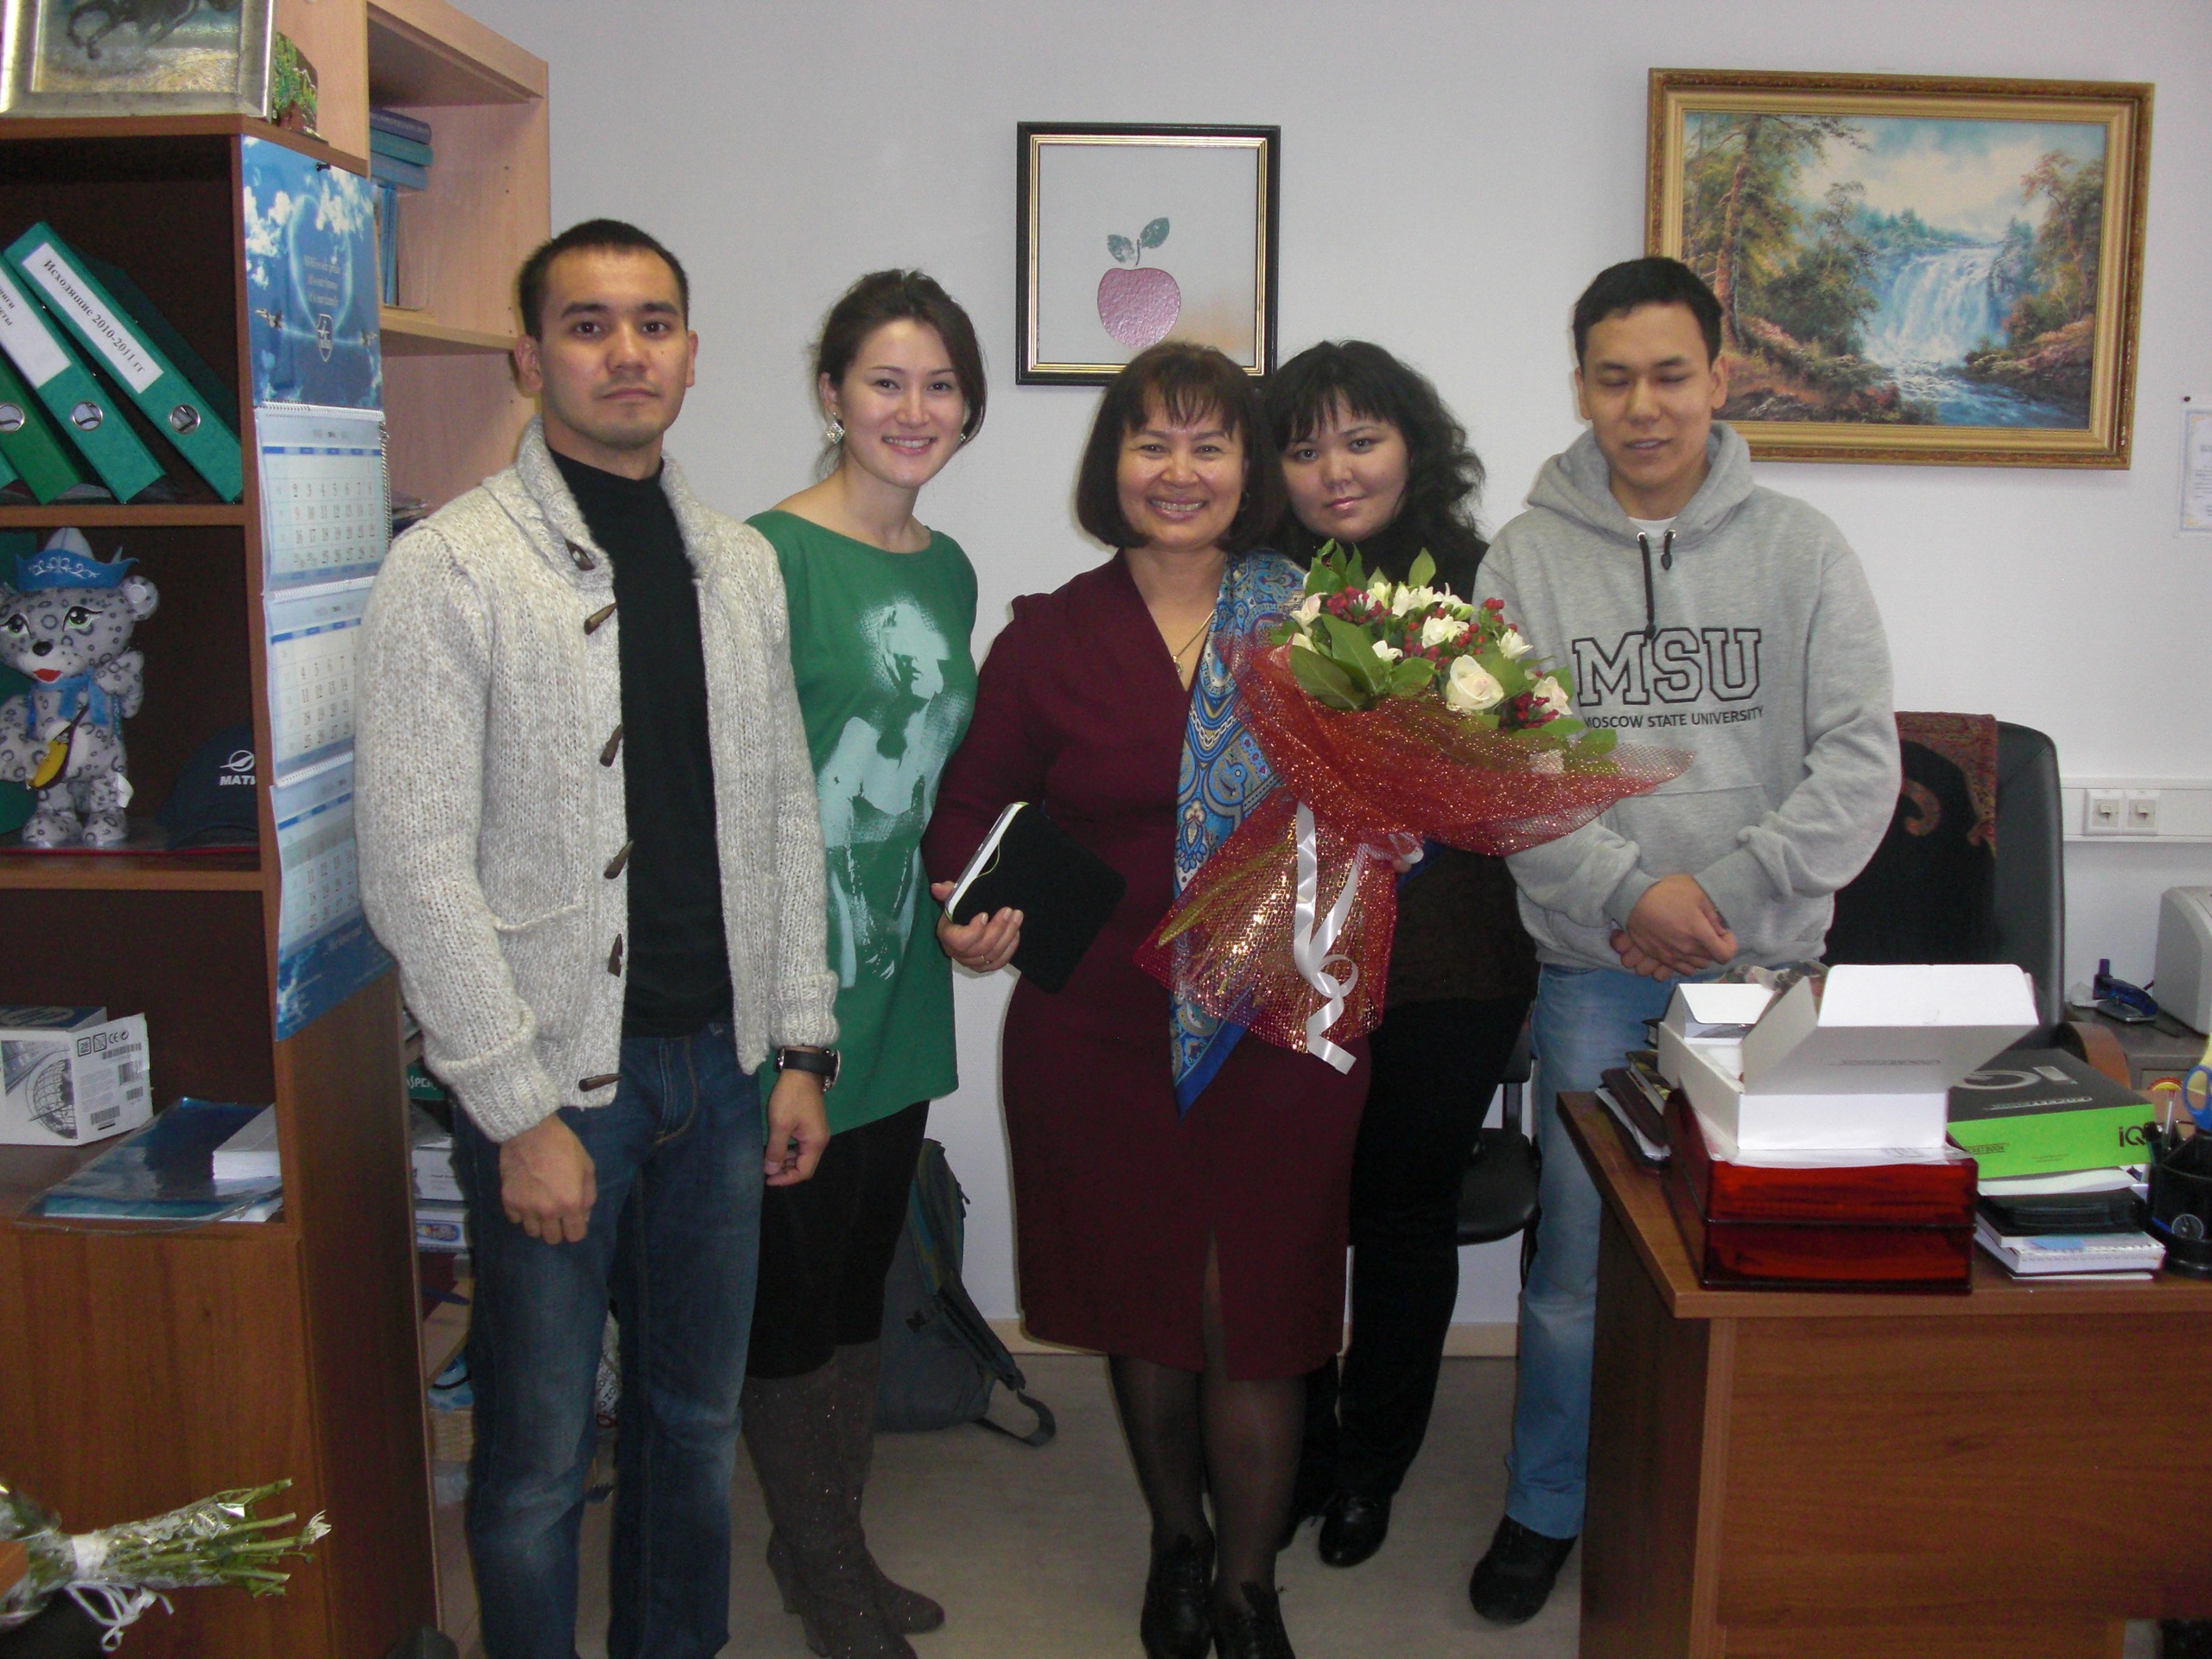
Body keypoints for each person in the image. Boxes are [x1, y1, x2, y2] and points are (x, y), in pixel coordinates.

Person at [357, 219, 839, 1659]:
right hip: (557, 1082)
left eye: (653, 323)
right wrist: (516, 1113)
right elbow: (413, 863)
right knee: (536, 1458)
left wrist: (801, 1044)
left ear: (691, 354)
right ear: (529, 358)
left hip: (724, 1070)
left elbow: (784, 812)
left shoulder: (738, 565)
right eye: (587, 325)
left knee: (693, 1427)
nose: (626, 353)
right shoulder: (452, 566)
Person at [1465, 257, 1898, 1624]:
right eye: (1614, 379)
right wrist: (1626, 895)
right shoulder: (1525, 558)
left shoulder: (1805, 549)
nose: (1642, 406)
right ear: (1582, 387)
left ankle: (1746, 1498)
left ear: (1721, 377)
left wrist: (1719, 894)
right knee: (1579, 1264)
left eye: (1669, 375)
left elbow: (1860, 764)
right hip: (1595, 971)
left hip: (1764, 967)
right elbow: (1502, 773)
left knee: (1764, 1247)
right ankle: (1546, 1502)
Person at [921, 341, 1364, 1659]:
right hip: (1100, 1029)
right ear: (1111, 461)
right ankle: (1179, 1541)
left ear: (1249, 468)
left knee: (1255, 1314)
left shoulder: (1320, 624)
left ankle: (1247, 1590)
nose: (1179, 471)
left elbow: (1386, 810)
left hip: (1277, 1023)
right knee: (1148, 1302)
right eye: (1152, 442)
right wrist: (970, 911)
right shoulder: (1050, 634)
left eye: (1209, 444)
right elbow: (966, 812)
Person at [740, 270, 1005, 1659]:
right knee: (789, 1296)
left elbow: (941, 789)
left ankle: (822, 1543)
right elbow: (731, 802)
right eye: (885, 380)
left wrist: (974, 896)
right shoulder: (763, 561)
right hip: (787, 996)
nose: (915, 409)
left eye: (940, 384)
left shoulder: (947, 569)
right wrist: (789, 1033)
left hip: (897, 983)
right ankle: (827, 1569)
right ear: (830, 391)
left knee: (855, 1284)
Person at [1263, 341, 1536, 1568]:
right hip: (1295, 952)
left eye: (1361, 440)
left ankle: (1372, 1466)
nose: (1336, 470)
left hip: (1451, 959)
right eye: (1304, 446)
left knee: (1404, 1213)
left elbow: (1532, 769)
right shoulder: (1252, 591)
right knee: (1294, 1216)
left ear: (1413, 448)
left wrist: (1436, 791)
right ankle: (1298, 1450)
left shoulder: (1487, 583)